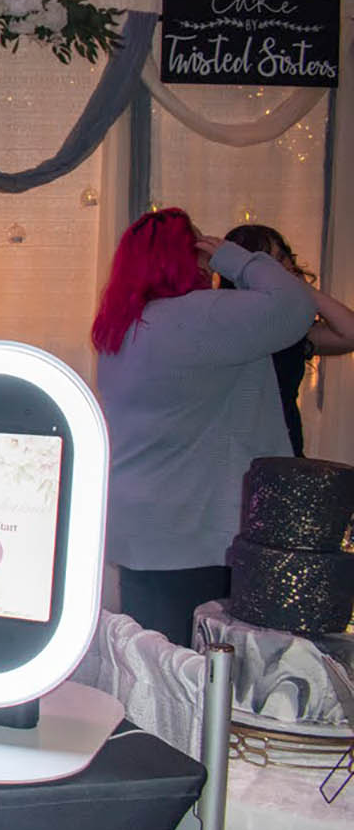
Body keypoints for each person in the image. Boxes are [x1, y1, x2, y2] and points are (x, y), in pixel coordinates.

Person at [92, 208, 316, 645]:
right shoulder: (202, 317)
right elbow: (296, 306)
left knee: (155, 661)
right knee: (199, 670)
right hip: (192, 534)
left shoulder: (123, 328)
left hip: (141, 527)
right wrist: (234, 258)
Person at [221, 223, 354, 456]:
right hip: (232, 456)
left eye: (283, 258)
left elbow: (349, 332)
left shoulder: (292, 327)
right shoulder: (222, 324)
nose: (283, 269)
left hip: (284, 455)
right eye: (269, 264)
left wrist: (302, 289)